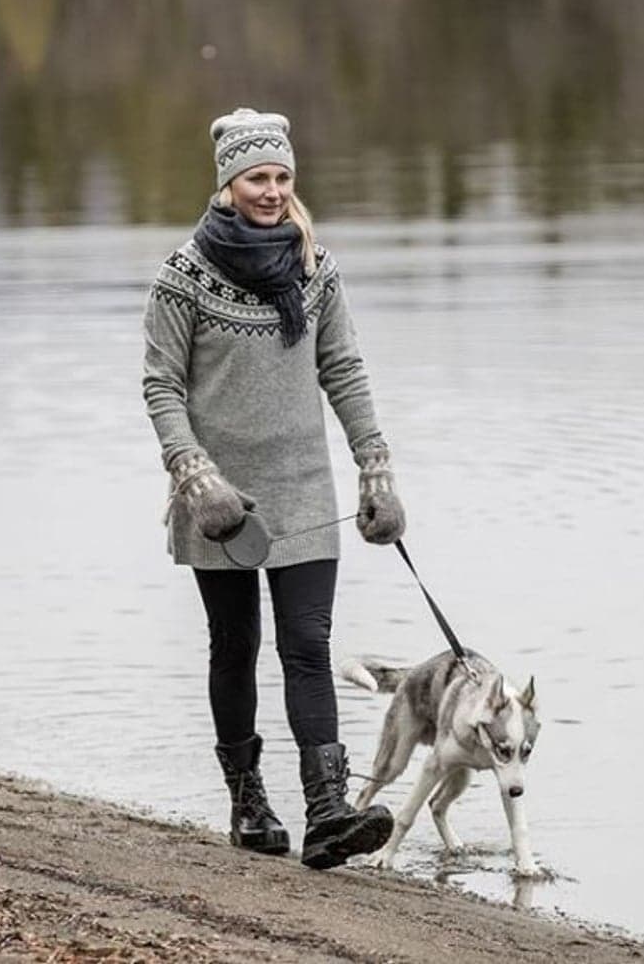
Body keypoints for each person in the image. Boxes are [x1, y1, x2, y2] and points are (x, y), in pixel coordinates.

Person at [142, 107, 405, 869]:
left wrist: (375, 466)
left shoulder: (314, 266)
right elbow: (161, 387)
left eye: (282, 177)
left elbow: (343, 370)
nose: (272, 190)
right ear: (228, 183)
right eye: (258, 177)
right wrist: (194, 476)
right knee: (234, 645)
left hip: (302, 489)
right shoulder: (181, 275)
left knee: (308, 645)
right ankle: (248, 803)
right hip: (218, 498)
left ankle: (326, 812)